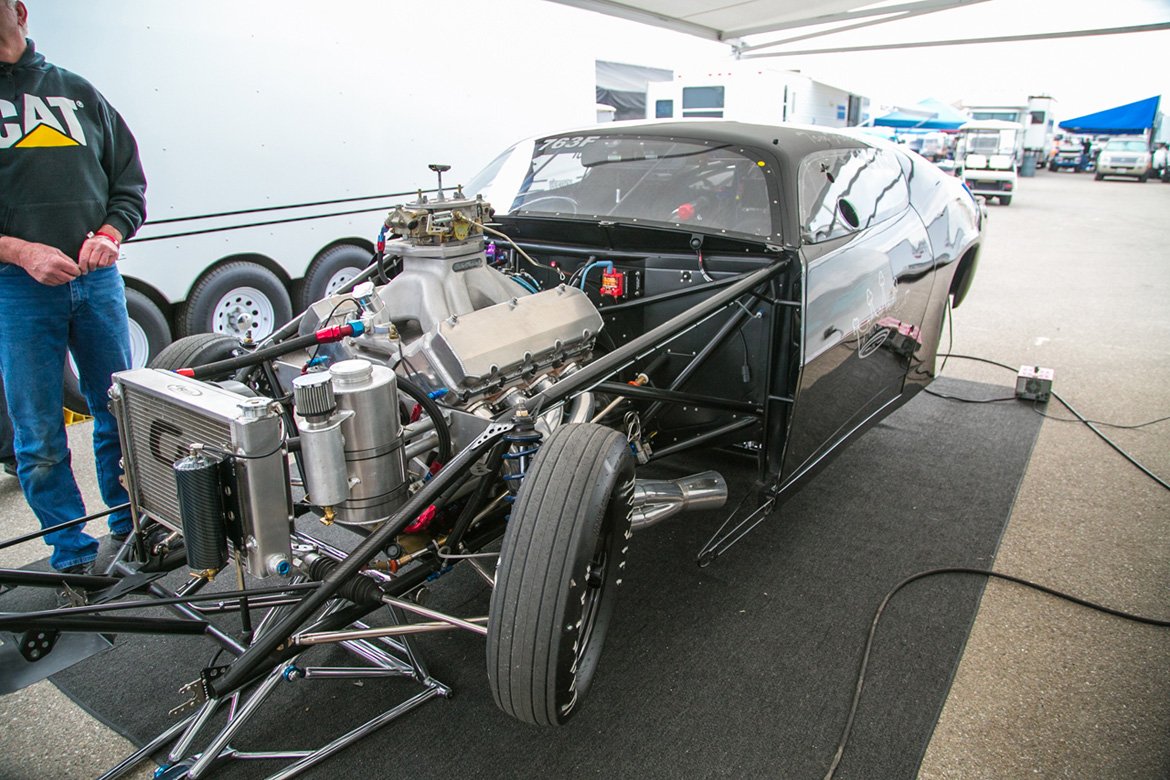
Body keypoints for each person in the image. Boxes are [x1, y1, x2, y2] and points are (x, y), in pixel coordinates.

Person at [0, 0, 146, 578]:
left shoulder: (79, 93)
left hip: (97, 283)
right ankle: (74, 557)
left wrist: (111, 233)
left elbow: (129, 185)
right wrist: (22, 252)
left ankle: (132, 530)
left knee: (118, 413)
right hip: (17, 289)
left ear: (19, 11)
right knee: (38, 433)